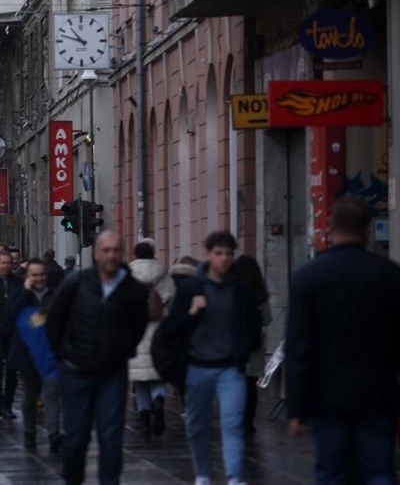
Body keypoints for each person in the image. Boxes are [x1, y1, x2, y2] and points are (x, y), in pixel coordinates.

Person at [286, 196, 400, 484]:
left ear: (330, 227)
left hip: (327, 398)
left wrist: (297, 407)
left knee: (332, 474)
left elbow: (299, 345)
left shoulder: (307, 277)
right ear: (368, 229)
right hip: (378, 394)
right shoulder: (388, 275)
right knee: (380, 473)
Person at [46, 231, 149, 485]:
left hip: (112, 373)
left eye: (116, 250)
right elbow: (54, 320)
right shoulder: (77, 282)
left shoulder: (132, 288)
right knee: (76, 438)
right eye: (106, 250)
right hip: (76, 371)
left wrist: (123, 350)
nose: (111, 255)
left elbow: (139, 324)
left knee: (111, 436)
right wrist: (64, 354)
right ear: (96, 253)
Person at [164, 231, 261, 485]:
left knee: (232, 422)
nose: (224, 259)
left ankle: (234, 477)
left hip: (230, 367)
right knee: (197, 426)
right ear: (208, 254)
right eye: (219, 253)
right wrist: (192, 312)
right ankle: (203, 474)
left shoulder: (240, 290)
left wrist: (243, 350)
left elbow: (253, 324)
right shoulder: (190, 288)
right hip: (197, 367)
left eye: (229, 254)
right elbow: (172, 327)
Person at [8, 259, 61, 451]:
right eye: (34, 275)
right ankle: (30, 432)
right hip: (28, 354)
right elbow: (10, 314)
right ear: (28, 276)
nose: (39, 278)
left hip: (50, 354)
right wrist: (25, 291)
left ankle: (53, 434)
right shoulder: (20, 293)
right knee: (30, 396)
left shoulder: (55, 293)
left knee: (52, 394)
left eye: (41, 275)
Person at [129, 238, 173, 439]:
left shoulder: (129, 273)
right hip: (159, 329)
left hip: (136, 330)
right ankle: (159, 399)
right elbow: (171, 298)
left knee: (140, 379)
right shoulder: (162, 271)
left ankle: (145, 420)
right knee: (158, 372)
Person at [228, 254, 270, 438]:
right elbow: (267, 319)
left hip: (234, 343)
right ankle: (248, 422)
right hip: (254, 344)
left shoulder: (230, 290)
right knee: (250, 386)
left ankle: (236, 419)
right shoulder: (259, 292)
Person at [0, 251, 23, 420]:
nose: (6, 266)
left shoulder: (19, 283)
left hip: (14, 334)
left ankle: (7, 406)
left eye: (9, 263)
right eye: (3, 263)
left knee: (11, 370)